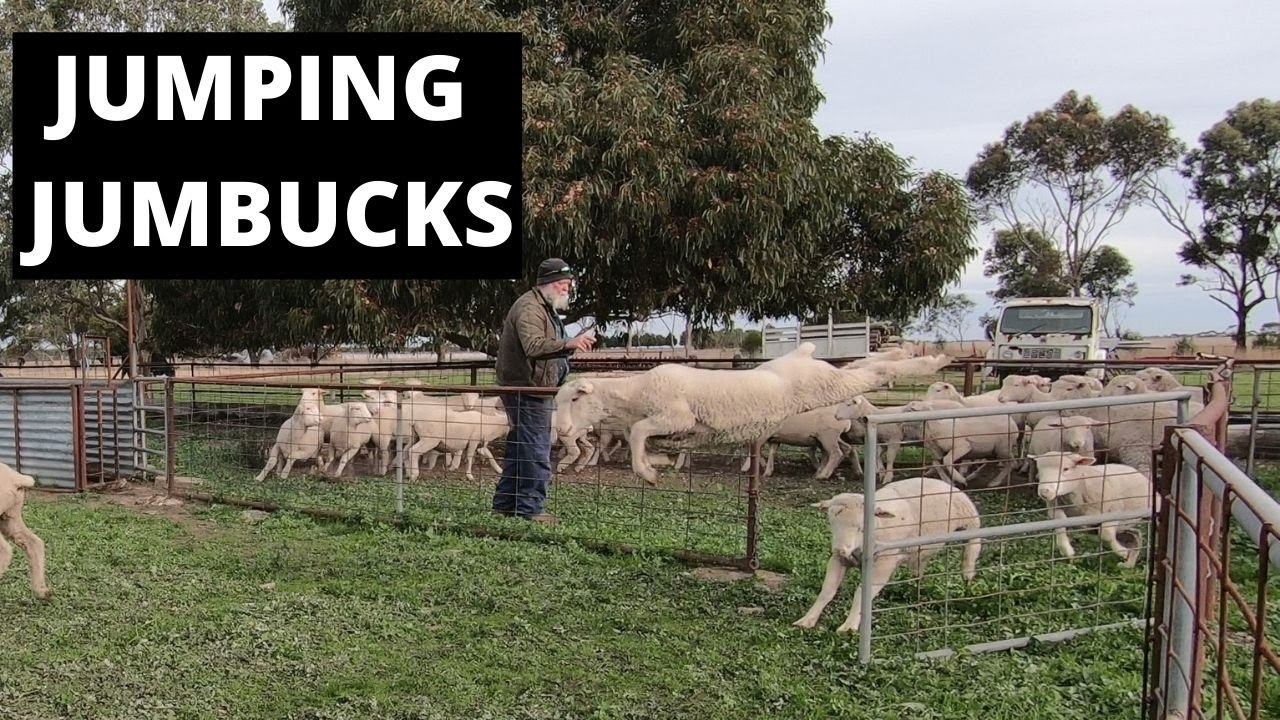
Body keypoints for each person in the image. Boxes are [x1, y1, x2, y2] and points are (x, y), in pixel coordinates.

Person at [492, 258, 597, 522]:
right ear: (549, 283)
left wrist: (567, 346)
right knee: (536, 448)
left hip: (535, 388)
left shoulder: (544, 307)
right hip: (527, 389)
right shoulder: (530, 308)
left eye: (568, 284)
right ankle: (531, 509)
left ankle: (505, 504)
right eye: (563, 284)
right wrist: (569, 344)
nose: (567, 289)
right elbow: (533, 346)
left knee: (521, 448)